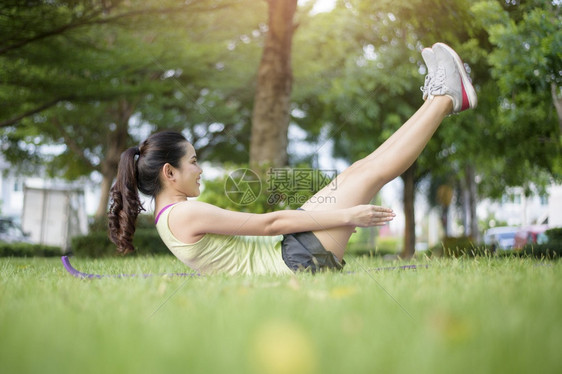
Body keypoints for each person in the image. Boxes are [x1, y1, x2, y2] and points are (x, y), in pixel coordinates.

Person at [108, 42, 477, 275]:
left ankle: (437, 98)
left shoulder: (170, 216)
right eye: (193, 161)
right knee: (370, 175)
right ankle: (446, 97)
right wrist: (349, 216)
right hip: (295, 261)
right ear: (169, 172)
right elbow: (269, 224)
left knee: (361, 169)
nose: (200, 168)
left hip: (291, 250)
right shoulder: (184, 213)